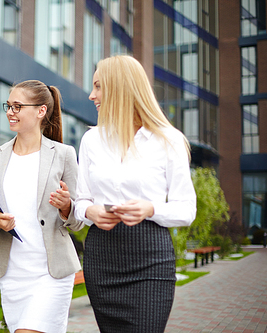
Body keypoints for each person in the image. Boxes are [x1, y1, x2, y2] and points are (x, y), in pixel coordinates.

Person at [74, 55, 197, 333]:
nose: (92, 95)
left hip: (150, 260)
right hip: (101, 259)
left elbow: (186, 208)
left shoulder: (169, 139)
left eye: (98, 86)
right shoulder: (91, 140)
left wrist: (151, 209)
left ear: (120, 87)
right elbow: (82, 200)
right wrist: (90, 211)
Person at [0, 80, 83, 333]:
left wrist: (67, 207)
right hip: (12, 274)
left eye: (18, 106)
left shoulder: (64, 154)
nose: (10, 112)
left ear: (41, 111)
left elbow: (78, 221)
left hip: (51, 273)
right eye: (8, 106)